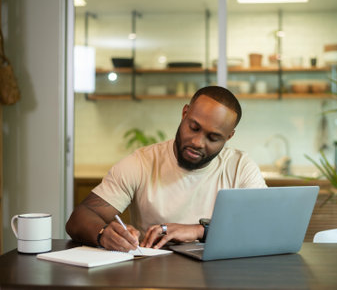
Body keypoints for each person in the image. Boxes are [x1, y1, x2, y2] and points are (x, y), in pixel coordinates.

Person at [66, 86, 267, 252]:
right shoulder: (141, 163)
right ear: (185, 113)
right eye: (194, 128)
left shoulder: (240, 167)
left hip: (219, 276)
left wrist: (199, 231)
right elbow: (79, 218)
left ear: (229, 137)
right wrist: (103, 234)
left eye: (213, 138)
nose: (197, 142)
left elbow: (265, 226)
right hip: (153, 273)